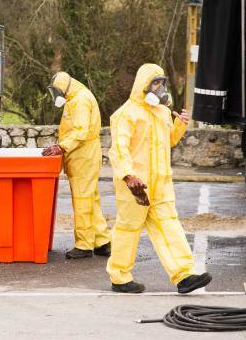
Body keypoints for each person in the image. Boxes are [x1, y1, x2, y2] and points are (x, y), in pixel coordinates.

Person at [106, 63, 212, 294]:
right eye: (155, 82)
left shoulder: (163, 112)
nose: (160, 87)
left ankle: (184, 275)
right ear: (143, 84)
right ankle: (120, 277)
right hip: (135, 186)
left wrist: (180, 125)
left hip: (161, 185)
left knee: (169, 226)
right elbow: (119, 150)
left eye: (161, 82)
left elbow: (169, 141)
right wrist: (128, 176)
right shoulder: (125, 114)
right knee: (128, 229)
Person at [42, 72, 111, 259]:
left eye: (56, 91)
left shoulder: (80, 100)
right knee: (91, 199)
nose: (56, 95)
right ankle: (102, 241)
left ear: (63, 87)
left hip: (83, 156)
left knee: (82, 199)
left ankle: (84, 244)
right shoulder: (75, 98)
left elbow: (81, 132)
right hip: (83, 155)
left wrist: (61, 146)